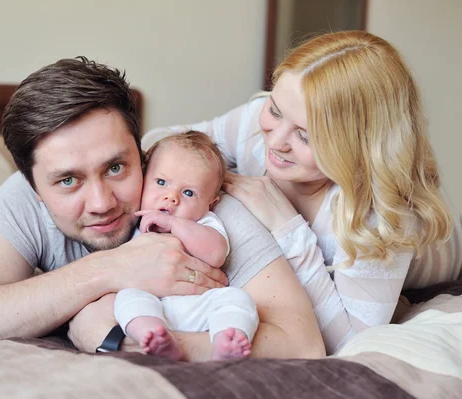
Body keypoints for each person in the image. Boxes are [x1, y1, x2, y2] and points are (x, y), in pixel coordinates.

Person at [0, 57, 325, 361]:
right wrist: (108, 270)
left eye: (116, 168)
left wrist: (121, 341)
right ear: (33, 187)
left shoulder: (199, 206)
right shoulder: (21, 197)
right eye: (68, 181)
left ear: (143, 153)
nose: (101, 203)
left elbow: (305, 344)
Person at [142, 30, 462, 355]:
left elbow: (353, 343)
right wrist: (205, 184)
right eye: (276, 111)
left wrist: (288, 228)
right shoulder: (255, 127)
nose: (275, 141)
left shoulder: (377, 215)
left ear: (358, 147)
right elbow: (158, 142)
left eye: (305, 136)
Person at [115, 131, 258, 361]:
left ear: (210, 203)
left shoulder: (204, 222)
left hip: (200, 307)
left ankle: (225, 342)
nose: (171, 198)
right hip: (153, 303)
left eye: (189, 193)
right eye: (161, 182)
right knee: (127, 298)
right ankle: (153, 335)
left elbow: (215, 255)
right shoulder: (134, 219)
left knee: (237, 299)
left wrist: (174, 223)